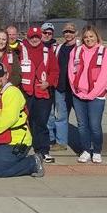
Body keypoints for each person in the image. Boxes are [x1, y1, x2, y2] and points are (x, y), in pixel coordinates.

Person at [69, 25, 107, 164]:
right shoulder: (76, 51)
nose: (88, 39)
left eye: (91, 36)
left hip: (96, 96)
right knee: (82, 125)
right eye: (86, 37)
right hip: (78, 95)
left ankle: (97, 150)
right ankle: (86, 150)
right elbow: (71, 72)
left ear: (96, 37)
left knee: (94, 125)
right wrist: (76, 90)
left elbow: (104, 77)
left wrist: (92, 94)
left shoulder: (104, 52)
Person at [20, 26, 59, 164]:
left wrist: (48, 83)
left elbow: (55, 71)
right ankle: (22, 149)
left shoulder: (47, 52)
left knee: (41, 122)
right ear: (28, 38)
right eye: (32, 37)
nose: (35, 40)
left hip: (42, 92)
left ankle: (43, 150)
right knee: (23, 122)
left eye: (37, 37)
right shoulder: (21, 50)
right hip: (25, 93)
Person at [47, 22, 78, 151]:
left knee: (82, 119)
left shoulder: (80, 48)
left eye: (71, 32)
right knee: (61, 116)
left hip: (77, 89)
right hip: (61, 88)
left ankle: (87, 144)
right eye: (66, 32)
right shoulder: (59, 48)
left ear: (76, 33)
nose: (68, 34)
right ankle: (61, 142)